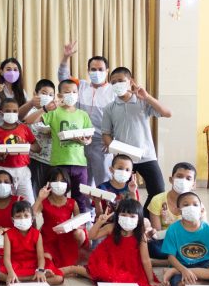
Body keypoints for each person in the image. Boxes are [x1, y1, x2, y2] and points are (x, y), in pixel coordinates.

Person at [101, 66, 172, 211]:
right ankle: (127, 217)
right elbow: (106, 133)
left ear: (130, 81)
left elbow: (167, 113)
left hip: (147, 156)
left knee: (158, 190)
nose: (117, 84)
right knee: (124, 194)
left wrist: (147, 97)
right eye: (113, 82)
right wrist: (113, 148)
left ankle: (143, 216)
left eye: (120, 80)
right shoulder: (109, 108)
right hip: (124, 159)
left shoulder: (143, 102)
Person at [24, 78, 94, 214]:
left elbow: (89, 137)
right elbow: (28, 120)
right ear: (60, 95)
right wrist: (45, 108)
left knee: (80, 198)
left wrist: (85, 141)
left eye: (74, 92)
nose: (71, 95)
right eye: (67, 92)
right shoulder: (54, 112)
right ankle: (58, 222)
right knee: (57, 198)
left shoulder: (83, 115)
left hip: (79, 163)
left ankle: (81, 225)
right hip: (59, 163)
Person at [58, 43, 116, 187]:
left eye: (100, 69)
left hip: (101, 144)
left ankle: (103, 202)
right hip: (78, 141)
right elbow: (63, 78)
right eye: (93, 69)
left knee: (103, 181)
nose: (97, 72)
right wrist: (66, 57)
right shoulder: (80, 86)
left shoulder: (113, 92)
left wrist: (112, 141)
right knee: (82, 183)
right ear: (88, 71)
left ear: (107, 71)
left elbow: (118, 119)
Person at [68, 199, 161, 286]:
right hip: (109, 262)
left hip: (130, 267)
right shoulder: (111, 228)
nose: (128, 219)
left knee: (121, 280)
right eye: (124, 215)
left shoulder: (140, 236)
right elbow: (91, 236)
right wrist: (99, 223)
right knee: (104, 274)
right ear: (118, 216)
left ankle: (82, 272)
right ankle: (73, 269)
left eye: (132, 216)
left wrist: (151, 280)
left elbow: (145, 260)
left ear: (139, 219)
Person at [33, 168, 88, 274]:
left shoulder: (72, 202)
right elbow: (31, 215)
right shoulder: (44, 202)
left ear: (67, 183)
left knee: (80, 234)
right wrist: (39, 198)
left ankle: (75, 258)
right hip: (48, 238)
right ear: (49, 183)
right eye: (55, 180)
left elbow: (80, 223)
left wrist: (76, 226)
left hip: (66, 237)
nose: (59, 184)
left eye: (62, 181)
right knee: (46, 260)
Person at [0, 58, 29, 182]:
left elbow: (25, 116)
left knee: (16, 176)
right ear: (1, 71)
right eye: (8, 69)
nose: (12, 72)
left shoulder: (21, 92)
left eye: (15, 70)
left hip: (16, 138)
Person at [146, 162, 203, 259]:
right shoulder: (157, 200)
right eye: (179, 176)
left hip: (189, 239)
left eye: (188, 178)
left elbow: (202, 230)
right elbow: (157, 232)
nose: (183, 181)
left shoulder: (197, 204)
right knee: (154, 248)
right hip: (166, 239)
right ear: (171, 179)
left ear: (193, 184)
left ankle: (169, 261)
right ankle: (185, 258)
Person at [0, 98, 39, 204]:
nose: (11, 113)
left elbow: (37, 148)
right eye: (7, 111)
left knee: (29, 203)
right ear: (0, 113)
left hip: (23, 171)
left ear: (18, 112)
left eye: (15, 111)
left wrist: (26, 146)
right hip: (3, 171)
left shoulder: (24, 128)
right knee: (5, 203)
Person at [0, 201, 64, 286]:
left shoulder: (37, 234)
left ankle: (19, 280)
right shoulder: (8, 234)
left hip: (33, 264)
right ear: (12, 220)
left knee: (59, 278)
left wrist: (40, 270)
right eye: (18, 216)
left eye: (26, 216)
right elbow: (6, 258)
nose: (22, 219)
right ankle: (33, 279)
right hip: (14, 264)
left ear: (32, 219)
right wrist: (11, 272)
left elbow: (41, 257)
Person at [18, 79, 56, 197]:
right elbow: (22, 119)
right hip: (34, 158)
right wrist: (42, 109)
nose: (47, 96)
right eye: (44, 93)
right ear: (36, 93)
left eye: (51, 94)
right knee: (34, 194)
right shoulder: (30, 110)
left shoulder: (55, 112)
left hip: (52, 159)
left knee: (49, 194)